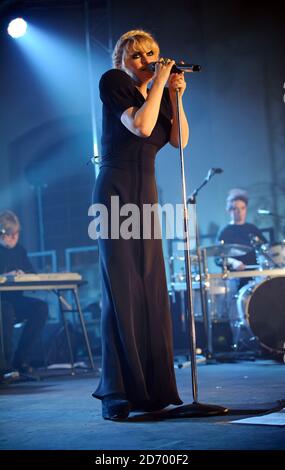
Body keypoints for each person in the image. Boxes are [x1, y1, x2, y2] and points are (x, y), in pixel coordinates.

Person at [91, 30, 189, 420]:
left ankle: (154, 389)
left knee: (150, 287)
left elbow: (179, 140)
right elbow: (142, 128)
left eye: (152, 53)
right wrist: (160, 81)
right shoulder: (114, 83)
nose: (146, 59)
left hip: (146, 194)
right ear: (122, 61)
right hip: (114, 191)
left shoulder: (160, 94)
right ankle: (116, 391)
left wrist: (176, 95)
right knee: (121, 289)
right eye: (136, 55)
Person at [0, 210, 49, 375]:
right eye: (9, 234)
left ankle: (20, 359)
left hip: (16, 300)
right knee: (5, 311)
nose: (14, 237)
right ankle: (4, 366)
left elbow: (32, 274)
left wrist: (23, 274)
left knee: (40, 308)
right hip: (2, 302)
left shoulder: (20, 251)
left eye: (16, 233)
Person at [217, 189, 267, 271]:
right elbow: (218, 258)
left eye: (242, 208)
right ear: (229, 211)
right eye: (236, 209)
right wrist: (233, 262)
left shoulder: (252, 229)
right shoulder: (225, 232)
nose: (239, 212)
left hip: (256, 273)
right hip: (235, 276)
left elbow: (266, 248)